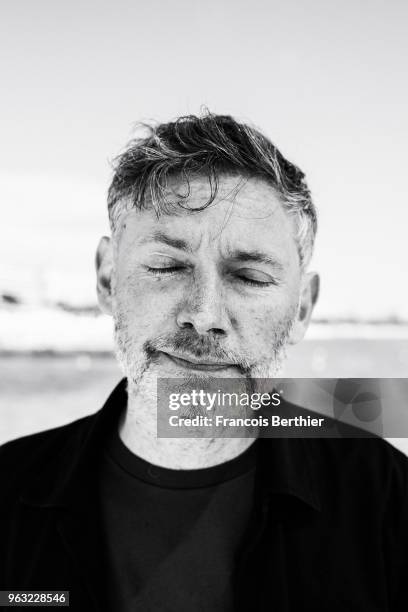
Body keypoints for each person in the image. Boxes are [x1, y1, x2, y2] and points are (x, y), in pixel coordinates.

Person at [1, 112, 407, 611]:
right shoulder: (8, 493)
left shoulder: (383, 497)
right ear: (108, 278)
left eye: (250, 277)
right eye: (167, 266)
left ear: (301, 308)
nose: (204, 314)